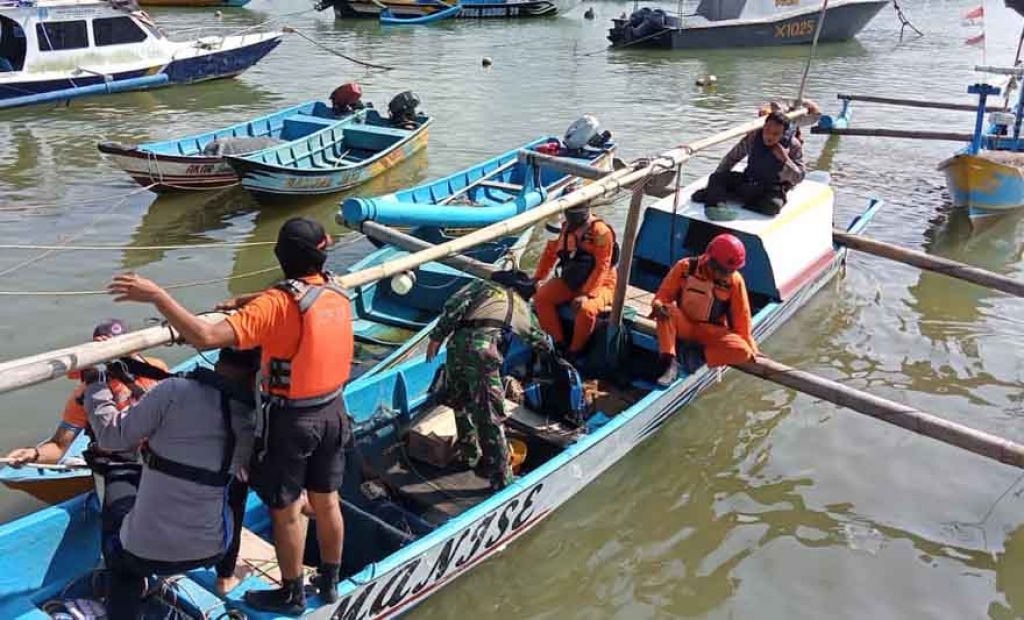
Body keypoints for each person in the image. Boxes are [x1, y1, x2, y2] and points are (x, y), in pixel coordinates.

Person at [106, 217, 352, 616]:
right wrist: (247, 302)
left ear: (279, 256)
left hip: (293, 422)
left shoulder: (277, 304)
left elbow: (205, 337)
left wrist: (156, 295)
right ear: (322, 254)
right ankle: (330, 580)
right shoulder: (336, 288)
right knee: (327, 502)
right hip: (334, 411)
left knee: (286, 508)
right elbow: (298, 294)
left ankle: (291, 593)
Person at [84, 347, 258, 620]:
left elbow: (111, 437)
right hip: (211, 550)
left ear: (219, 360)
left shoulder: (174, 391)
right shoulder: (256, 417)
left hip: (143, 552)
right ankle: (226, 574)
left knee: (119, 479)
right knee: (234, 486)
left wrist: (95, 384)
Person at [425, 270, 552, 490]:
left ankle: (468, 455)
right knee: (490, 417)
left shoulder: (479, 286)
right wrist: (553, 354)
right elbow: (538, 338)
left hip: (456, 347)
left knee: (460, 403)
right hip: (483, 354)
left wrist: (437, 337)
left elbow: (455, 304)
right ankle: (502, 480)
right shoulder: (520, 306)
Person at [3, 319, 166, 467]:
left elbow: (168, 406)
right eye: (107, 350)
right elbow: (59, 446)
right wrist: (34, 454)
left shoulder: (155, 369)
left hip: (163, 448)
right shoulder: (85, 395)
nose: (116, 355)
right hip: (118, 461)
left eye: (121, 347)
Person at [650, 234, 758, 386]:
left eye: (730, 271)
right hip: (685, 325)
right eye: (722, 271)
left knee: (743, 351)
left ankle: (694, 357)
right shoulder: (685, 267)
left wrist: (750, 347)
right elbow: (662, 296)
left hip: (711, 332)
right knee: (666, 311)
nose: (725, 275)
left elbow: (742, 319)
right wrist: (657, 306)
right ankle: (669, 362)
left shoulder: (734, 281)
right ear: (710, 261)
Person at [532, 204, 618, 362]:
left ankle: (575, 351)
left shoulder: (601, 232)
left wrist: (587, 294)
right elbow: (550, 254)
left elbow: (602, 266)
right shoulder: (562, 228)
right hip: (572, 279)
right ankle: (557, 344)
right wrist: (538, 277)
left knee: (586, 310)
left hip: (602, 284)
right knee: (542, 297)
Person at [692, 110, 806, 216]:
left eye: (776, 134)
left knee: (773, 207)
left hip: (770, 188)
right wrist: (714, 184)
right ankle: (717, 205)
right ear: (764, 127)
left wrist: (785, 160)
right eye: (767, 131)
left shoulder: (793, 145)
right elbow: (732, 158)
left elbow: (799, 177)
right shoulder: (754, 137)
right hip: (749, 180)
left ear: (783, 134)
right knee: (716, 178)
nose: (769, 136)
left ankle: (742, 202)